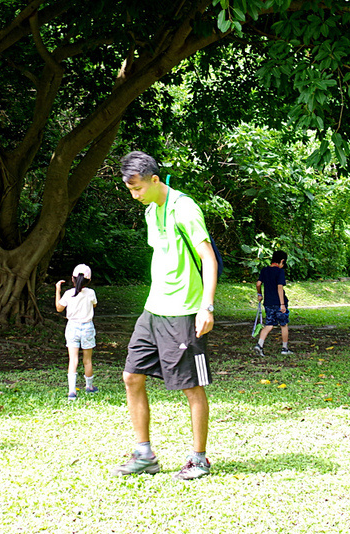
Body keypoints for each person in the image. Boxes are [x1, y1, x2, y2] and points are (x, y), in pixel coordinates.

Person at [112, 151, 217, 480]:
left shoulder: (183, 208)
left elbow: (208, 259)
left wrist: (207, 306)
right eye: (130, 190)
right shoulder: (150, 212)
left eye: (138, 188)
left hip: (184, 311)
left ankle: (199, 458)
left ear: (154, 180)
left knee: (191, 386)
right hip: (153, 309)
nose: (135, 195)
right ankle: (145, 454)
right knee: (131, 376)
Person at [55, 263, 98, 401]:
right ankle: (89, 387)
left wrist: (57, 290)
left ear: (72, 279)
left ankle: (72, 392)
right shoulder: (91, 293)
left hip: (72, 327)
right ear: (89, 280)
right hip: (87, 327)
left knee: (73, 360)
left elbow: (59, 308)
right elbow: (94, 304)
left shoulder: (68, 294)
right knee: (87, 360)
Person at [254, 250, 292, 356]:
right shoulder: (280, 272)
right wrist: (282, 304)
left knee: (269, 324)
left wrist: (259, 294)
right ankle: (284, 349)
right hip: (278, 302)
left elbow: (258, 284)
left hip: (268, 302)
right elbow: (279, 287)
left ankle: (259, 345)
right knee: (283, 325)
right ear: (282, 261)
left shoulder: (264, 270)